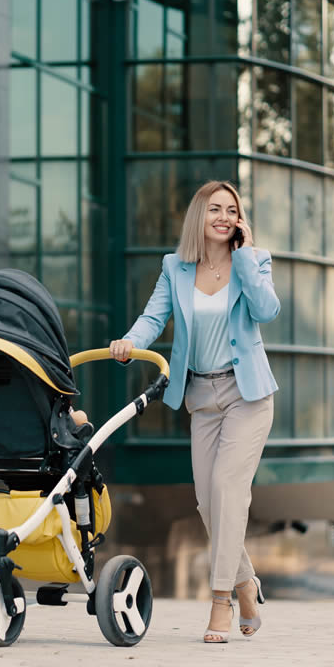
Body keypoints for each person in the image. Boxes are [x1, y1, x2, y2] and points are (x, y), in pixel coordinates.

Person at [109, 180, 279, 643]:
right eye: (215, 209)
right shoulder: (176, 267)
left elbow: (267, 310)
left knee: (228, 489)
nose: (224, 217)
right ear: (198, 217)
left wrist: (245, 259)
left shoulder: (255, 260)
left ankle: (221, 599)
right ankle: (246, 583)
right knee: (208, 503)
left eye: (232, 210)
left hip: (247, 395)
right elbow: (153, 316)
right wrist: (130, 343)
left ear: (240, 220)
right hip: (201, 397)